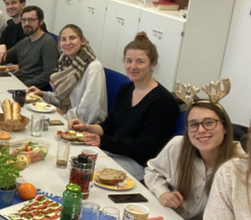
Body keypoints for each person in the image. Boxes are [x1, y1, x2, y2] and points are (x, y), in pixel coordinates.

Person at [69, 33, 179, 179]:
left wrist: (103, 141)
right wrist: (86, 127)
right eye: (128, 61)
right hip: (115, 153)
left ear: (153, 64)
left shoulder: (162, 101)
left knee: (84, 173)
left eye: (140, 62)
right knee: (73, 162)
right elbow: (110, 125)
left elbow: (147, 146)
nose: (133, 67)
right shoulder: (126, 89)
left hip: (139, 163)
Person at [145, 100, 243, 220]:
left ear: (225, 127)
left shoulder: (240, 165)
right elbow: (153, 171)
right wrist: (163, 192)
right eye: (194, 124)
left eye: (209, 123)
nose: (201, 130)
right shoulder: (178, 146)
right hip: (169, 218)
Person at [26, 24, 107, 124]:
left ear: (83, 41)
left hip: (85, 125)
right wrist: (43, 94)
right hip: (69, 118)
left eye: (72, 38)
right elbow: (63, 98)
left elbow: (89, 111)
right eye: (63, 39)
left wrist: (62, 116)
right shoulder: (65, 63)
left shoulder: (93, 67)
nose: (67, 43)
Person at [0, 6, 59, 91]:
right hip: (17, 82)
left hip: (30, 89)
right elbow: (2, 61)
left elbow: (49, 74)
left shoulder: (48, 43)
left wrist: (21, 85)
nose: (26, 23)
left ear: (41, 21)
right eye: (23, 20)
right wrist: (2, 46)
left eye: (31, 20)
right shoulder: (25, 41)